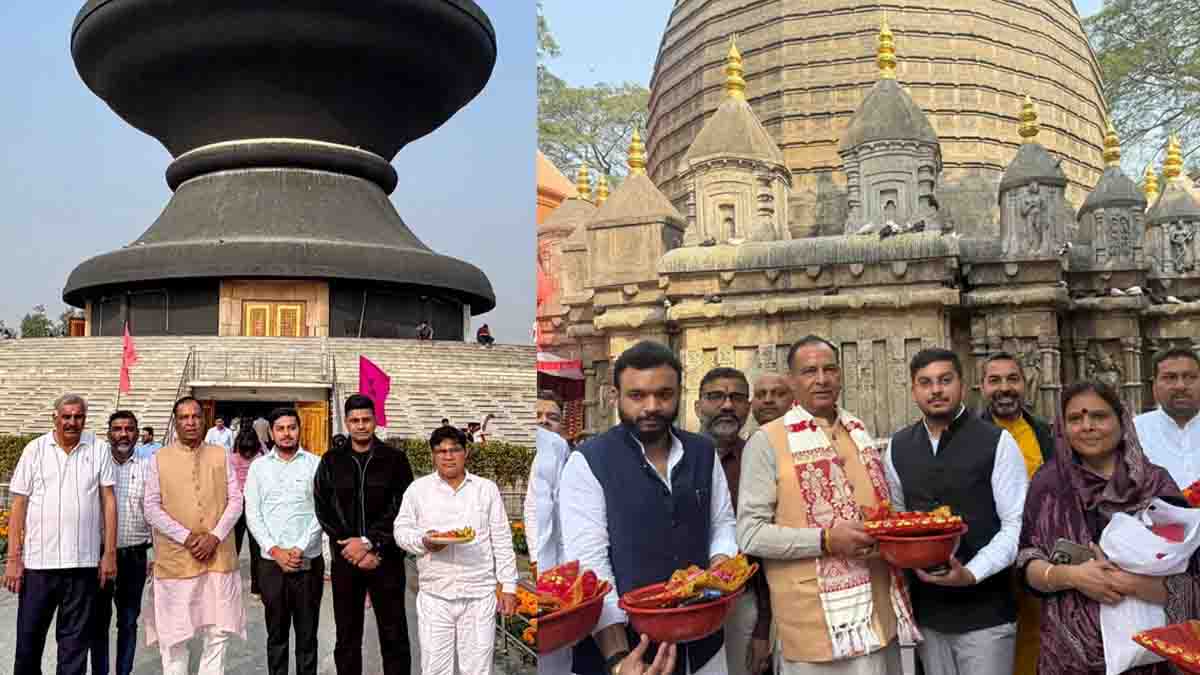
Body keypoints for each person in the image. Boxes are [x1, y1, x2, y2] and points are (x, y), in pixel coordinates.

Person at [738, 337, 919, 675]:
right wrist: (825, 540)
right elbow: (750, 535)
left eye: (829, 369)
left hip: (877, 619)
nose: (821, 379)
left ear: (840, 376)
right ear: (792, 382)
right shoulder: (767, 442)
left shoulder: (858, 432)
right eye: (809, 371)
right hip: (811, 626)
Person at [560, 340, 738, 675]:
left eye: (664, 394)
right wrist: (618, 658)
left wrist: (719, 566)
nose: (652, 406)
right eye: (638, 395)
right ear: (615, 396)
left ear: (679, 394)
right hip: (627, 648)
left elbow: (722, 524)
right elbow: (591, 567)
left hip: (703, 643)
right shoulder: (588, 462)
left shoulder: (702, 451)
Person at [1017, 381, 1200, 674]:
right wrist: (1073, 575)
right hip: (1069, 655)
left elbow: (1192, 583)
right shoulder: (1049, 485)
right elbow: (1027, 563)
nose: (1087, 426)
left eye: (1099, 416)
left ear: (1122, 420)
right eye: (1075, 419)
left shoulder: (1156, 485)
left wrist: (1129, 584)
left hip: (1149, 655)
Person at [884, 348, 1028, 675]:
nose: (936, 390)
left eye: (945, 380)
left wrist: (972, 572)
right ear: (914, 390)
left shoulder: (997, 442)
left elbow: (1015, 524)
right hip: (928, 615)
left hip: (986, 613)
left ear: (962, 385)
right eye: (926, 382)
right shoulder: (898, 446)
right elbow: (897, 520)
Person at [4, 393, 118, 675]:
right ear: (55, 418)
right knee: (28, 647)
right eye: (66, 416)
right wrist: (13, 559)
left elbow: (109, 501)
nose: (72, 422)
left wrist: (109, 554)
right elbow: (19, 504)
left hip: (82, 566)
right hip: (38, 567)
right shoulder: (35, 449)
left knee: (74, 650)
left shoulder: (99, 448)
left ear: (84, 419)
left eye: (78, 416)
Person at [394, 425, 518, 674]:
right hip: (435, 594)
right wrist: (424, 541)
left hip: (478, 594)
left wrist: (509, 586)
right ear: (432, 455)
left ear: (466, 453)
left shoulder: (486, 489)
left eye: (454, 450)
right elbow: (401, 531)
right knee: (434, 669)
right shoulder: (418, 490)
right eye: (441, 451)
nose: (448, 456)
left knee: (478, 669)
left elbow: (502, 539)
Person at [144, 396, 246, 675]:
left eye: (196, 417)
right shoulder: (159, 458)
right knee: (175, 636)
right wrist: (187, 538)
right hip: (176, 561)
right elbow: (151, 507)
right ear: (175, 422)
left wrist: (214, 536)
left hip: (218, 559)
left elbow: (236, 500)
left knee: (218, 633)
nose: (190, 422)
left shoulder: (220, 454)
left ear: (204, 420)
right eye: (184, 417)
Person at [314, 394, 415, 675]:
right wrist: (351, 547)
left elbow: (402, 507)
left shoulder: (395, 460)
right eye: (355, 421)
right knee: (347, 637)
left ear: (375, 421)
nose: (361, 426)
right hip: (346, 560)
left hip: (386, 559)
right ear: (346, 422)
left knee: (394, 635)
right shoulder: (331, 461)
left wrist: (372, 543)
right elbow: (324, 508)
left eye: (366, 420)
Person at [977, 352, 1054, 675]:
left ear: (1025, 385)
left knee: (1040, 634)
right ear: (981, 387)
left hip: (1040, 555)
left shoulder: (1043, 432)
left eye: (1012, 379)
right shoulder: (972, 436)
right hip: (992, 558)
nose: (1004, 388)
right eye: (995, 380)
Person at [694, 367, 773, 675]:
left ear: (747, 407)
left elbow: (765, 549)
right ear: (698, 406)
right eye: (716, 397)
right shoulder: (678, 457)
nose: (727, 405)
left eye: (737, 397)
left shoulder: (759, 459)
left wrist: (763, 626)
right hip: (682, 602)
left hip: (741, 602)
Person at [244, 407, 324, 675]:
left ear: (299, 429)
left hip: (308, 561)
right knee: (276, 636)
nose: (287, 433)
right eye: (281, 428)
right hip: (271, 563)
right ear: (272, 433)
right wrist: (276, 550)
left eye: (292, 427)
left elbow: (321, 511)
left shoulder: (315, 464)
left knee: (307, 635)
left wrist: (299, 547)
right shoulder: (258, 467)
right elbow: (253, 514)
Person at [88, 410, 153, 675]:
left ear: (138, 434)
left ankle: (123, 671)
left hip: (134, 555)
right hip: (98, 555)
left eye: (129, 429)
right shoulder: (95, 464)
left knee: (128, 622)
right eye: (117, 429)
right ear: (108, 433)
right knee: (98, 621)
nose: (123, 434)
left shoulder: (149, 467)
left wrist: (155, 556)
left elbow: (156, 512)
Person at [526, 391, 572, 674]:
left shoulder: (571, 459)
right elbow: (531, 510)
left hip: (565, 566)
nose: (544, 422)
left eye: (552, 418)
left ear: (562, 426)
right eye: (538, 416)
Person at [1135, 347, 1200, 488]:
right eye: (1170, 377)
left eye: (1190, 377)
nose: (1181, 386)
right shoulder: (1135, 431)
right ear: (1154, 386)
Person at [231, 428, 266, 597]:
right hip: (237, 505)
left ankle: (257, 587)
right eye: (243, 450)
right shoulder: (231, 458)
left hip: (255, 505)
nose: (246, 454)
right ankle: (229, 584)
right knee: (232, 548)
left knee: (256, 548)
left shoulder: (261, 458)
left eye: (249, 450)